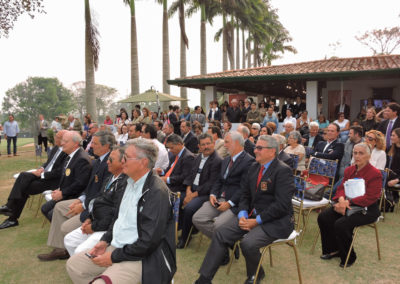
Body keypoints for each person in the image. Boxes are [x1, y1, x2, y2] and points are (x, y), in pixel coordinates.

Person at [66, 138, 176, 284]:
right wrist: (105, 241)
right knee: (74, 265)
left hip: (141, 256)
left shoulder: (156, 192)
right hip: (117, 246)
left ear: (143, 162)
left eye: (126, 157)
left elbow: (148, 243)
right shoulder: (127, 182)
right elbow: (117, 219)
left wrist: (113, 257)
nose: (122, 161)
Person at [193, 135, 295, 284]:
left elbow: (282, 205)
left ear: (272, 151)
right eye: (255, 147)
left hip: (276, 221)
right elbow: (245, 195)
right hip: (251, 216)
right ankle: (204, 279)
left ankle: (255, 275)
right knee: (220, 232)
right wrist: (242, 213)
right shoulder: (254, 167)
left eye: (260, 148)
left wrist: (256, 221)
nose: (255, 151)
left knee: (247, 243)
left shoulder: (283, 171)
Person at [38, 131, 113, 261]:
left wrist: (82, 205)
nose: (91, 146)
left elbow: (100, 192)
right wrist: (80, 200)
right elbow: (89, 187)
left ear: (106, 146)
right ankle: (60, 247)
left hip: (93, 206)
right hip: (84, 199)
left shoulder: (108, 164)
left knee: (58, 211)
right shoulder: (97, 162)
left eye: (94, 143)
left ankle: (63, 248)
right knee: (57, 207)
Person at [317, 143, 382, 268]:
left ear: (368, 156)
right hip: (346, 204)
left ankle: (349, 256)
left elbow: (371, 197)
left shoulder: (375, 173)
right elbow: (341, 188)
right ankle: (333, 249)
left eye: (361, 153)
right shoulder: (349, 170)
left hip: (367, 209)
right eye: (355, 153)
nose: (357, 156)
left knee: (341, 224)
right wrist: (341, 199)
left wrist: (348, 203)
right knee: (324, 217)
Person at [64, 147, 128, 256]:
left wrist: (93, 227)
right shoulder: (110, 177)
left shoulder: (124, 183)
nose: (107, 161)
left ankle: (85, 269)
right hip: (96, 221)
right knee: (69, 240)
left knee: (79, 251)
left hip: (107, 229)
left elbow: (114, 214)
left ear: (122, 162)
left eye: (111, 159)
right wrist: (89, 218)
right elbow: (98, 200)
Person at [193, 131, 254, 244]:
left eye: (227, 142)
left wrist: (229, 203)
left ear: (236, 143)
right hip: (219, 199)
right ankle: (227, 243)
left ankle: (222, 246)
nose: (224, 145)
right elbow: (218, 181)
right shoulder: (226, 160)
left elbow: (244, 188)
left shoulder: (249, 161)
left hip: (234, 203)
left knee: (218, 225)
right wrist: (213, 194)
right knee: (197, 218)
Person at [0, 130, 68, 229]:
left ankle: (11, 213)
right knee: (23, 177)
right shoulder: (56, 148)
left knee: (23, 186)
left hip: (52, 181)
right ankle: (11, 214)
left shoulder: (66, 152)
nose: (54, 138)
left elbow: (59, 173)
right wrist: (41, 168)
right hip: (43, 175)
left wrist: (42, 174)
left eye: (57, 137)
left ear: (63, 139)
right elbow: (48, 163)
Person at [178, 133, 223, 248]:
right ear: (199, 146)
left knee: (189, 208)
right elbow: (190, 175)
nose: (206, 147)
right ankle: (186, 228)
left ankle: (185, 238)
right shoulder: (198, 157)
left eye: (208, 143)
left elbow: (211, 184)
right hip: (192, 189)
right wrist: (188, 190)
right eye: (203, 145)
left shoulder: (217, 160)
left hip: (205, 193)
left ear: (213, 144)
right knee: (177, 200)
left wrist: (192, 196)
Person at [40, 131, 92, 222]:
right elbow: (66, 177)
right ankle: (59, 230)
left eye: (65, 141)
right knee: (44, 208)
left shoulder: (81, 159)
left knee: (51, 213)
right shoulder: (70, 155)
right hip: (65, 193)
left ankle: (61, 231)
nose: (62, 143)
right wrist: (59, 190)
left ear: (75, 144)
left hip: (74, 196)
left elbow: (80, 184)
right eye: (62, 140)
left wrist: (62, 193)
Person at [387, 127, 400, 205]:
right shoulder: (391, 148)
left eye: (393, 135)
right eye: (391, 135)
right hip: (391, 175)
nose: (391, 137)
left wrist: (397, 180)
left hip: (397, 178)